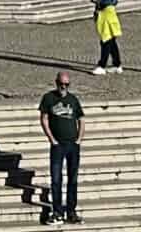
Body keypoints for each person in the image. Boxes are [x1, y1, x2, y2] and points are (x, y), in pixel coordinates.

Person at [37, 69, 82, 225]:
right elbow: (43, 118)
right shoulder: (48, 98)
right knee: (56, 179)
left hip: (72, 145)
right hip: (57, 145)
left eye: (66, 85)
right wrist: (51, 139)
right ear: (56, 83)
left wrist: (79, 139)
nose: (63, 87)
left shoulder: (73, 99)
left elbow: (81, 119)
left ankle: (71, 211)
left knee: (73, 179)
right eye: (61, 84)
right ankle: (57, 212)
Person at [89, 0, 122, 75]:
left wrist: (96, 1)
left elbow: (107, 2)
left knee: (106, 41)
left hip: (106, 17)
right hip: (109, 16)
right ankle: (117, 64)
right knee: (111, 42)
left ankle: (102, 65)